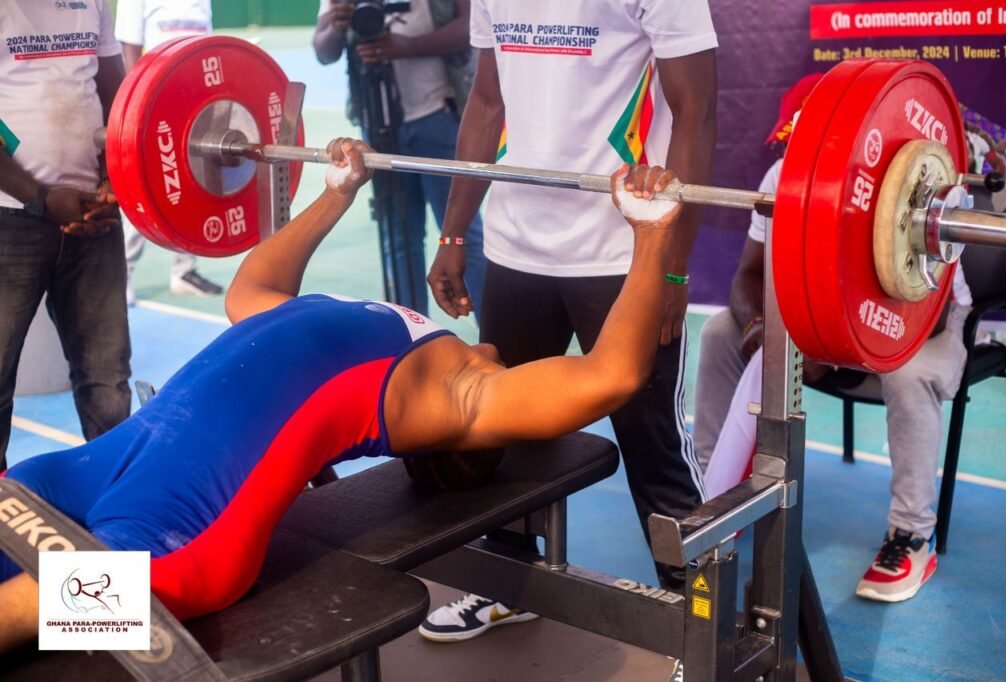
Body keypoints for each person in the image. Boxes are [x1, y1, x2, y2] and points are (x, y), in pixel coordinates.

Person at [0, 139, 685, 653]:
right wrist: (335, 193)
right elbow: (253, 292)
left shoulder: (463, 397)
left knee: (48, 609)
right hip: (101, 468)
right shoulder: (398, 335)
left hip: (185, 540)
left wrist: (652, 236)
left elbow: (612, 376)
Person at [421, 0, 718, 645]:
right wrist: (452, 234)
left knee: (655, 450)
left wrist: (670, 267)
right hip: (515, 244)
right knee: (504, 424)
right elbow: (487, 102)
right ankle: (509, 582)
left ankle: (702, 628)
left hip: (622, 253)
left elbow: (697, 114)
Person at [693, 87, 973, 603]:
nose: (797, 155)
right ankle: (716, 496)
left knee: (909, 375)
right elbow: (749, 275)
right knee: (717, 334)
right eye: (793, 144)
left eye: (810, 144)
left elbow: (920, 320)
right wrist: (763, 324)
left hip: (916, 327)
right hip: (819, 327)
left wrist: (819, 348)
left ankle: (911, 536)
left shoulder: (910, 185)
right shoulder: (782, 178)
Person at [0, 1, 130, 473]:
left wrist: (117, 174)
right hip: (9, 218)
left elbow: (116, 91)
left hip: (95, 215)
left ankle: (114, 516)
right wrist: (40, 198)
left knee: (107, 382)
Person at [312, 0, 486, 317]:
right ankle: (413, 339)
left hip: (439, 116)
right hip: (378, 125)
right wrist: (335, 26)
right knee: (399, 238)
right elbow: (323, 52)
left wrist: (407, 47)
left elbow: (470, 27)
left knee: (461, 235)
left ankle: (496, 335)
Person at [115, 0, 224, 303]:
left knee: (194, 184)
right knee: (144, 190)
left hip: (195, 103)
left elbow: (206, 47)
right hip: (153, 103)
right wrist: (136, 105)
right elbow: (129, 49)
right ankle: (123, 275)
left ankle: (184, 271)